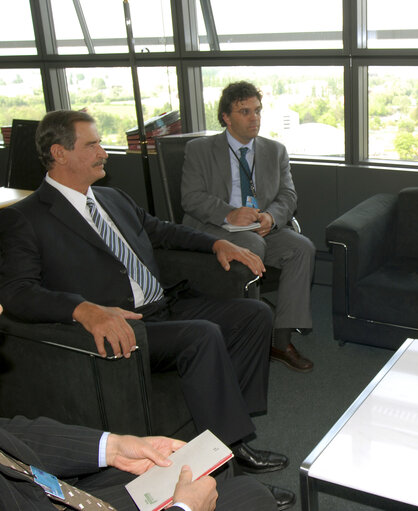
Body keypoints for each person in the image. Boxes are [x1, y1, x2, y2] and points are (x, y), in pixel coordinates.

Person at [0, 110, 294, 509]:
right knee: (203, 334)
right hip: (127, 328)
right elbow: (17, 292)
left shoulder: (112, 198)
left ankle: (229, 437)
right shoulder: (25, 218)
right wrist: (83, 309)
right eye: (93, 144)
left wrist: (216, 244)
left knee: (254, 315)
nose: (105, 152)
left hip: (164, 306)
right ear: (59, 152)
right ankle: (227, 471)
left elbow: (162, 231)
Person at [181, 81, 316, 372]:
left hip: (263, 228)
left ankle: (280, 340)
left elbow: (288, 196)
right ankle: (251, 342)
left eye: (257, 111)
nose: (254, 117)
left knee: (302, 248)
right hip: (215, 228)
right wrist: (230, 214)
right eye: (245, 111)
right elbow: (190, 198)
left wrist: (271, 217)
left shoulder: (275, 150)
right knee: (253, 245)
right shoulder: (200, 150)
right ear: (226, 117)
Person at [0, 414, 277, 511]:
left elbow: (11, 432)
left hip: (44, 492)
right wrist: (184, 509)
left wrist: (113, 447)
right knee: (251, 496)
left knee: (206, 467)